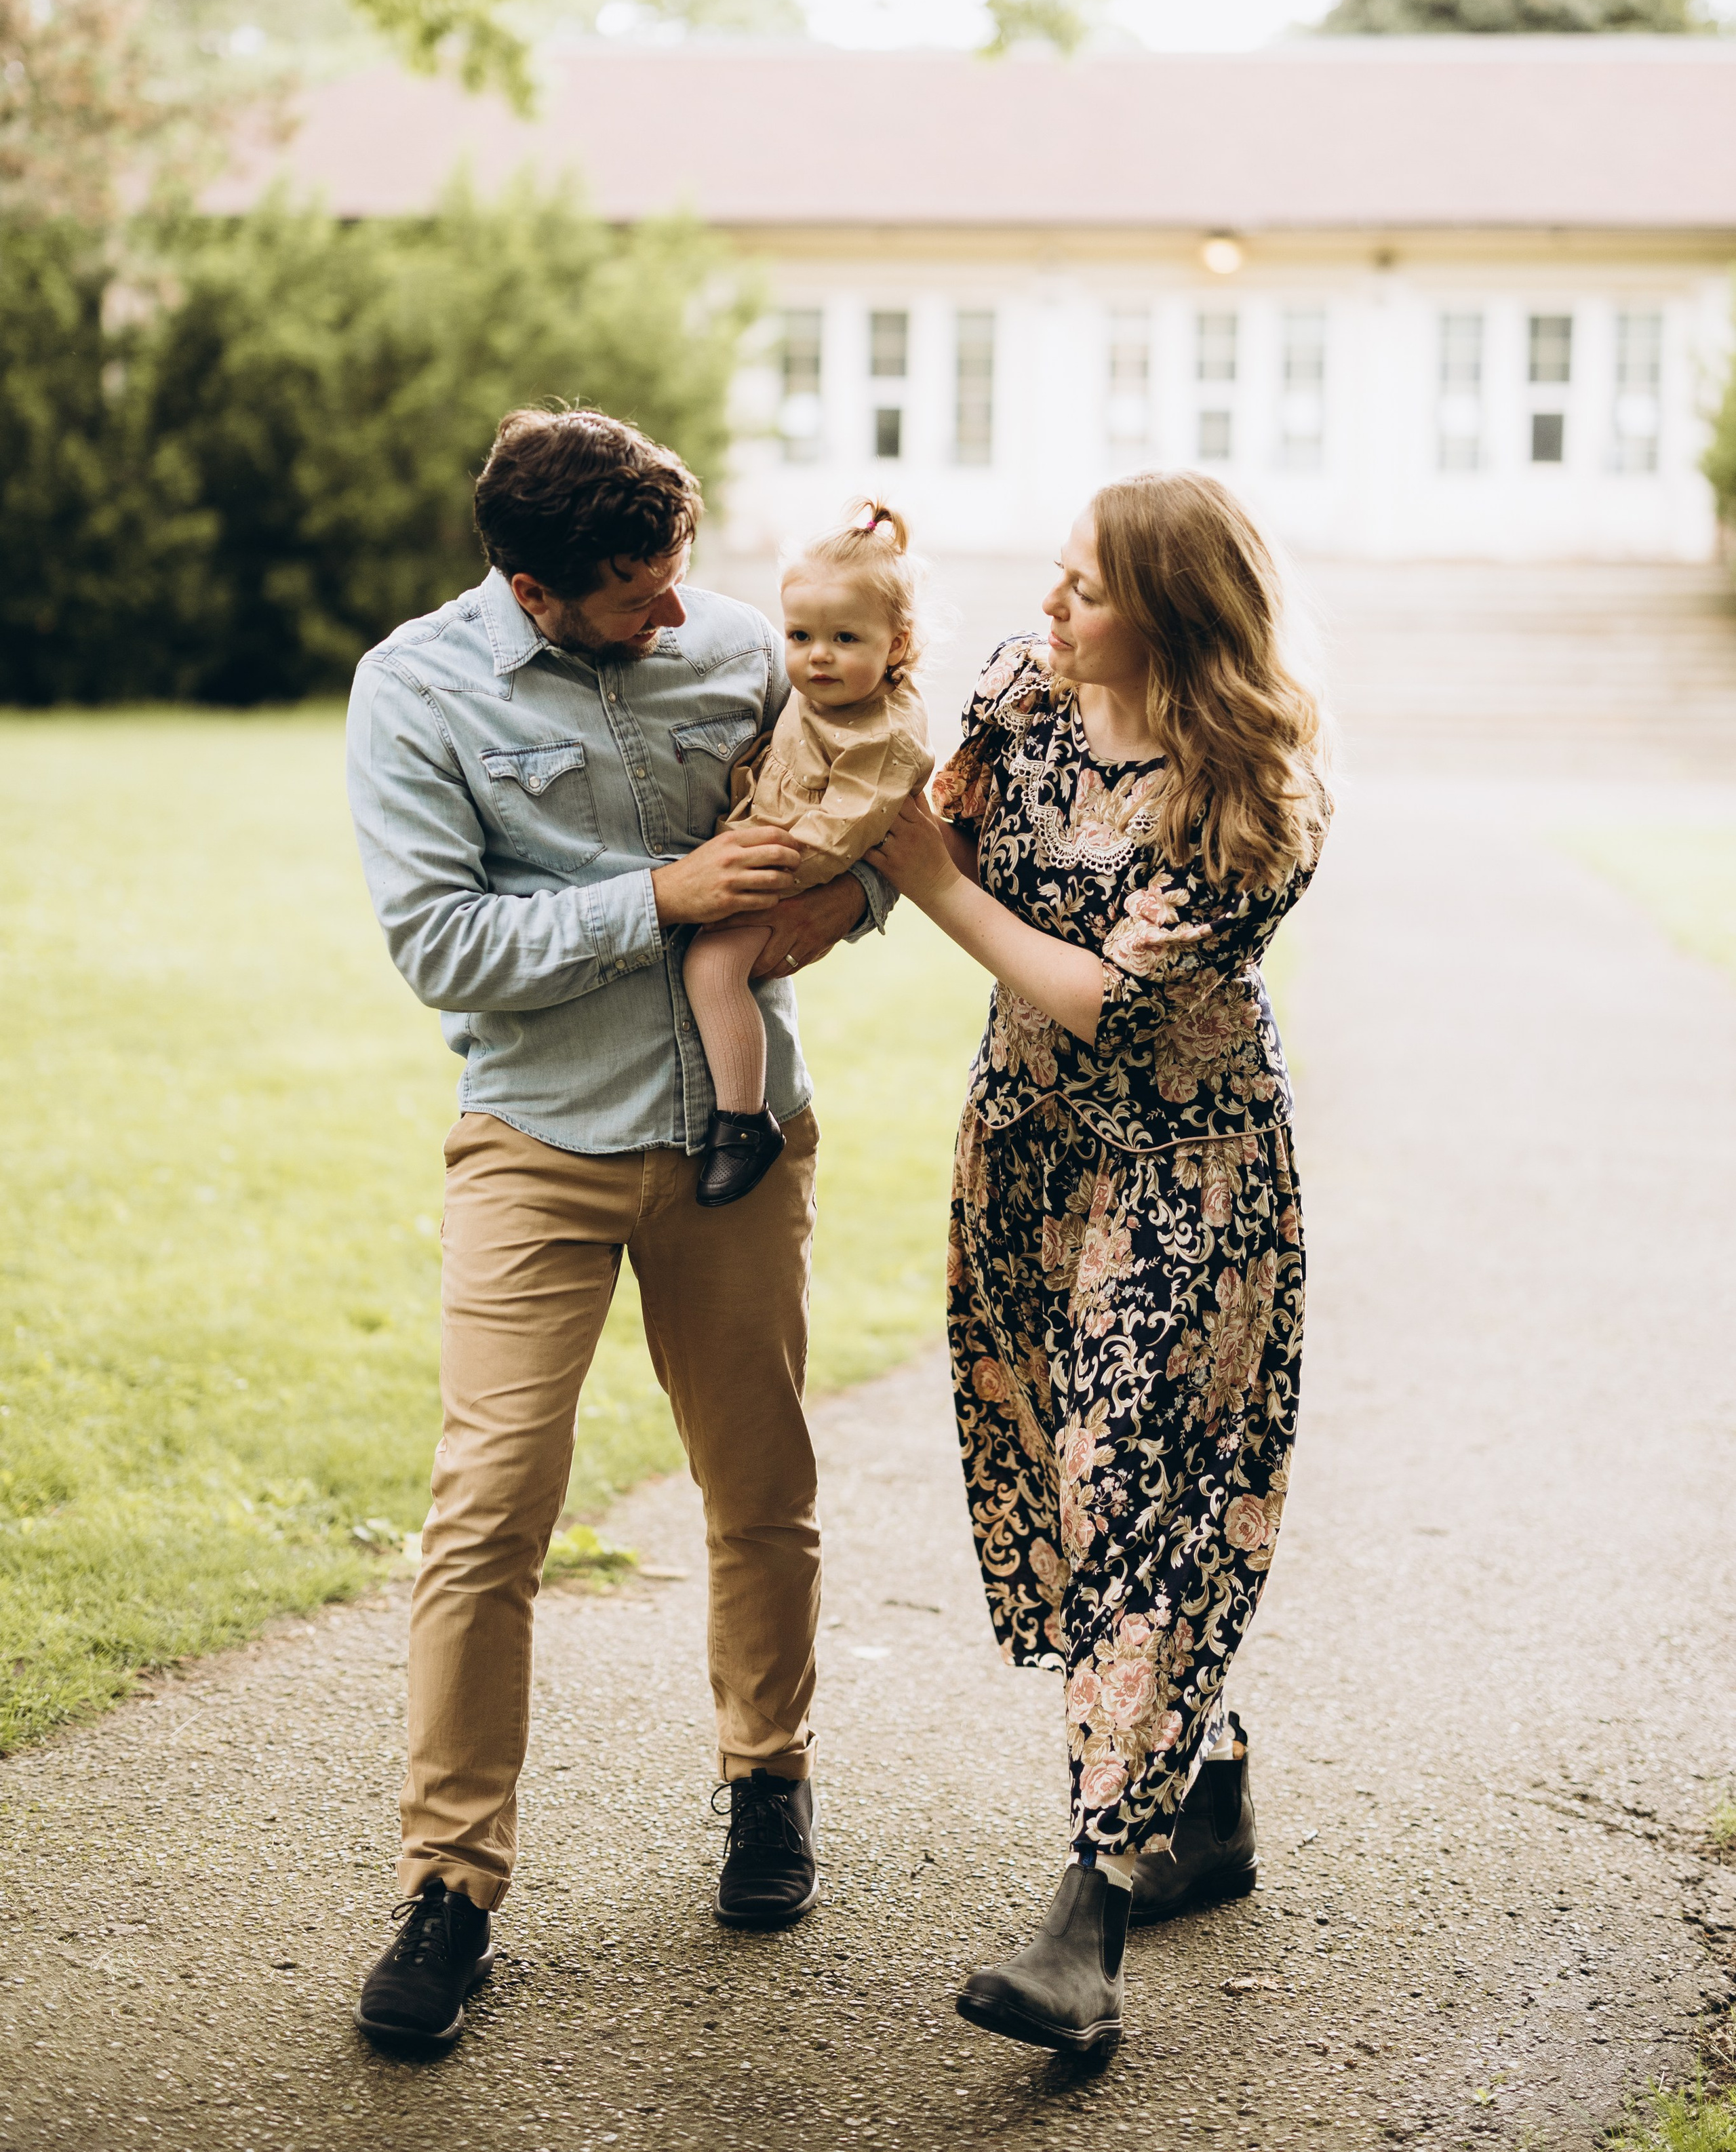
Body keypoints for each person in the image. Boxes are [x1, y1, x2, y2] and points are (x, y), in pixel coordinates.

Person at [343, 407, 895, 2053]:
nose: (682, 614)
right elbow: (444, 946)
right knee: (488, 1504)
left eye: (680, 572)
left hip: (741, 1145)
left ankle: (767, 1781)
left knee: (760, 1482)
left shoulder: (748, 645)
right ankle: (449, 1885)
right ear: (535, 584)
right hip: (538, 1144)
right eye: (641, 592)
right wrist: (666, 897)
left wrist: (800, 911)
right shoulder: (416, 692)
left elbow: (869, 835)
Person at [869, 471, 1330, 2056]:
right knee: (1057, 1492)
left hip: (1183, 1182)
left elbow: (1106, 1000)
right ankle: (1199, 1796)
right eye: (1050, 578)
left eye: (1082, 587)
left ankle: (1090, 1913)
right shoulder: (1025, 693)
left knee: (1130, 1499)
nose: (1048, 606)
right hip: (1025, 1160)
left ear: (1171, 609)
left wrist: (929, 882)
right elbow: (911, 819)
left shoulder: (1250, 798)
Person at [684, 500, 933, 1208]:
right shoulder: (824, 694)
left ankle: (743, 1122)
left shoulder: (886, 733)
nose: (817, 656)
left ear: (898, 644)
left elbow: (844, 828)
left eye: (845, 638)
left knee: (712, 965)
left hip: (786, 873)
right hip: (758, 847)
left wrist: (754, 870)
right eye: (800, 635)